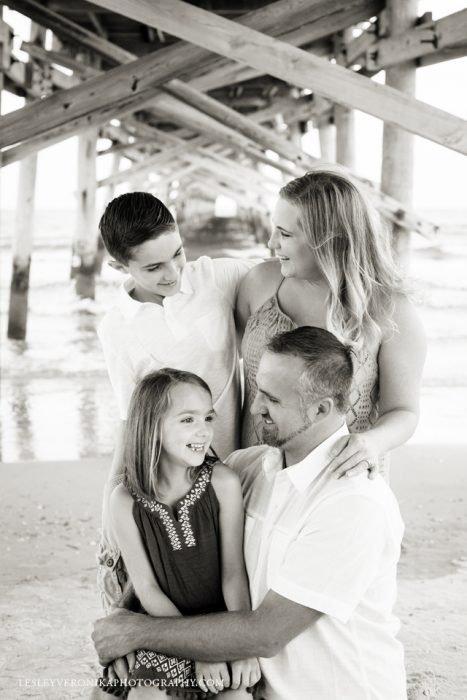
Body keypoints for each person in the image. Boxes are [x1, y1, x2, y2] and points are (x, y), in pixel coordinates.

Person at [93, 327, 408, 700]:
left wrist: (133, 633)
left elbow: (267, 633)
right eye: (258, 389)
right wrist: (126, 632)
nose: (255, 406)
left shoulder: (354, 503)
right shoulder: (247, 468)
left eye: (272, 399)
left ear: (321, 408)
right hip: (246, 683)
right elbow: (171, 560)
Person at [96, 192, 255, 611]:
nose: (173, 273)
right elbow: (133, 418)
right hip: (170, 483)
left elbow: (284, 278)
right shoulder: (117, 328)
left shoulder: (217, 277)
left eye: (178, 253)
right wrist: (110, 503)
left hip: (235, 464)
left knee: (240, 577)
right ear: (119, 267)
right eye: (153, 267)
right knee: (173, 587)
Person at [236, 169, 426, 478]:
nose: (271, 242)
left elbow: (403, 411)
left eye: (285, 234)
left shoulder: (390, 310)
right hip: (258, 477)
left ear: (330, 239)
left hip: (341, 478)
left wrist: (370, 444)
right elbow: (224, 372)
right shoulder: (260, 284)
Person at [99, 367, 260, 698]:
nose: (203, 432)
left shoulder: (223, 483)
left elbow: (233, 576)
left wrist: (242, 645)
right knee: (147, 694)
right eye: (188, 420)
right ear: (152, 426)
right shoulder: (125, 500)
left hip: (221, 627)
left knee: (236, 696)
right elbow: (147, 588)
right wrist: (194, 650)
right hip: (163, 629)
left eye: (208, 418)